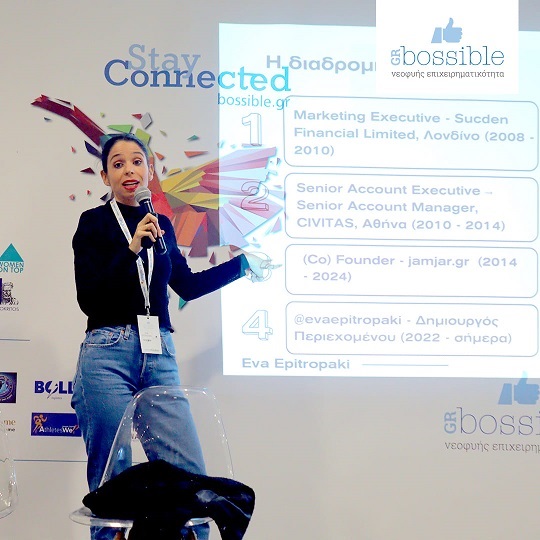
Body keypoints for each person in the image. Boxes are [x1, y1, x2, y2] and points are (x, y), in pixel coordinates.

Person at [71, 133, 272, 540]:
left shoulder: (161, 224)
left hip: (158, 352)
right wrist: (131, 248)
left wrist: (241, 264)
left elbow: (188, 286)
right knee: (111, 477)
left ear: (149, 171)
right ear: (106, 176)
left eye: (137, 161)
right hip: (106, 354)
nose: (129, 170)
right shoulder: (93, 223)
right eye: (118, 164)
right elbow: (89, 297)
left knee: (188, 474)